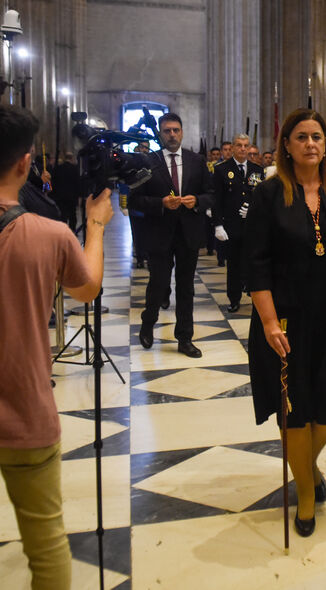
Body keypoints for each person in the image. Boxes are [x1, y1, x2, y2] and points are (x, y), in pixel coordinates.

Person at [0, 104, 113, 589]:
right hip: (23, 409)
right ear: (26, 163)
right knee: (46, 547)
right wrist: (97, 225)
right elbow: (87, 289)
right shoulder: (48, 234)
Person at [245, 108, 326, 538]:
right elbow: (256, 264)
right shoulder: (269, 195)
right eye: (301, 137)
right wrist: (267, 323)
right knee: (295, 412)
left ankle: (307, 468)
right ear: (286, 144)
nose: (311, 144)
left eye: (317, 136)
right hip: (284, 320)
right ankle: (304, 492)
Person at [131, 112, 214, 358]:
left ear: (182, 132)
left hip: (188, 233)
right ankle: (148, 323)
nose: (172, 135)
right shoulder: (148, 161)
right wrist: (161, 203)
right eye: (167, 131)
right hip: (160, 232)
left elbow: (211, 194)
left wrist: (197, 200)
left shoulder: (196, 160)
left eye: (176, 130)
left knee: (186, 287)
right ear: (160, 133)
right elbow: (135, 200)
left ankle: (185, 338)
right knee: (158, 284)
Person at [213, 133, 264, 313]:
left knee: (253, 263)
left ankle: (254, 294)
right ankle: (234, 298)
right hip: (231, 225)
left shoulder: (257, 170)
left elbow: (261, 197)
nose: (243, 148)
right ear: (233, 148)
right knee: (233, 264)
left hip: (252, 226)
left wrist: (254, 210)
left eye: (246, 145)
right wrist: (217, 224)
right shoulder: (221, 169)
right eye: (239, 145)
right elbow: (217, 200)